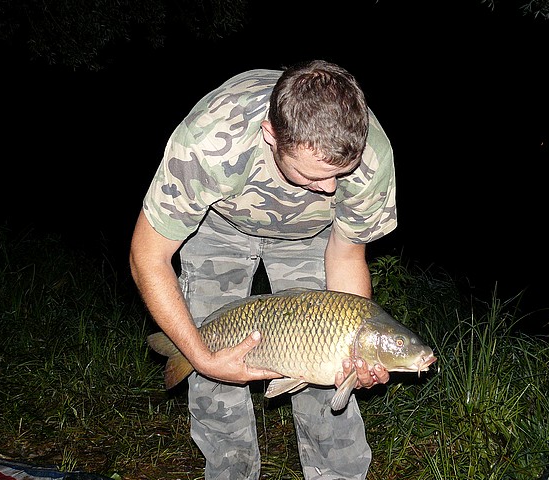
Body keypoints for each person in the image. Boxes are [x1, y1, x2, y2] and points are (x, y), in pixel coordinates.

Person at [129, 59, 397, 480]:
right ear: (271, 135)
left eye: (339, 175)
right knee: (212, 356)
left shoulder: (370, 160)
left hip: (311, 234)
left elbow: (346, 255)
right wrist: (202, 358)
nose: (331, 189)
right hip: (220, 223)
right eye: (315, 175)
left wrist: (353, 348)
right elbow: (148, 255)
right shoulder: (210, 141)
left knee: (318, 360)